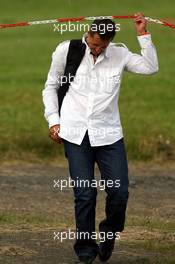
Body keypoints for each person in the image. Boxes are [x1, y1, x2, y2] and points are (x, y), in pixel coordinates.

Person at [42, 13, 158, 264]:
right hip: (74, 133)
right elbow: (50, 86)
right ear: (89, 34)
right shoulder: (67, 50)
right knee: (85, 193)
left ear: (110, 41)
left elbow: (150, 68)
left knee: (120, 192)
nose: (96, 50)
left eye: (102, 46)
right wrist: (54, 121)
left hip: (109, 134)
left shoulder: (119, 54)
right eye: (94, 44)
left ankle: (109, 233)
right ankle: (85, 249)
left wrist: (142, 34)